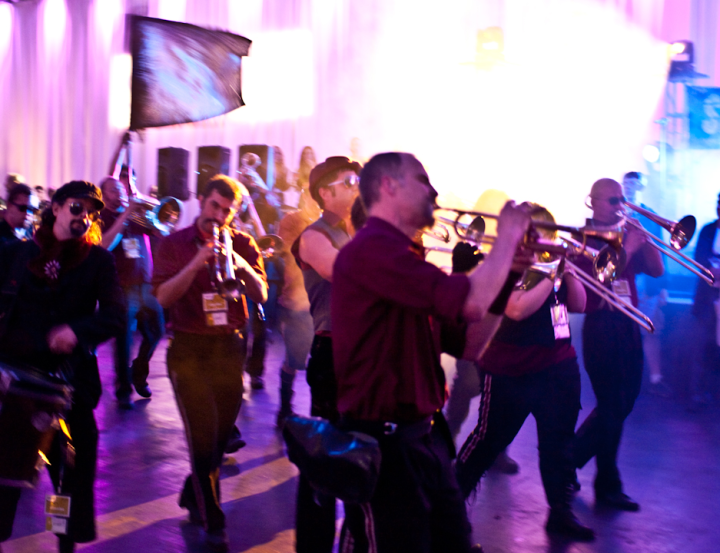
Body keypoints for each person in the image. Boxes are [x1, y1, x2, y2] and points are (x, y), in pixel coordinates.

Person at [332, 152, 532, 552]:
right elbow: (471, 302)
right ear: (388, 185)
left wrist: (508, 275)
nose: (434, 191)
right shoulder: (371, 251)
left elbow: (471, 345)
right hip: (384, 448)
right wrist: (506, 241)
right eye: (422, 179)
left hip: (424, 438)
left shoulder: (406, 259)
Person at [454, 206, 594, 541]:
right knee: (488, 441)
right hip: (509, 369)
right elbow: (515, 309)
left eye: (548, 236)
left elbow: (579, 305)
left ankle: (560, 513)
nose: (547, 243)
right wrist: (549, 273)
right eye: (539, 237)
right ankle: (452, 507)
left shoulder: (551, 266)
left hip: (558, 365)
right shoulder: (506, 265)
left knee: (558, 444)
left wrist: (568, 272)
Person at [0, 181, 125, 553]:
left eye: (91, 213)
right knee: (6, 476)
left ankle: (63, 542)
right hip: (17, 382)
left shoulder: (98, 261)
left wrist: (77, 330)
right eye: (76, 208)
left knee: (66, 482)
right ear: (55, 208)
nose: (83, 217)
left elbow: (117, 316)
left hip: (67, 387)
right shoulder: (16, 254)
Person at [152, 174, 267, 552]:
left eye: (227, 211)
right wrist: (197, 261)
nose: (219, 216)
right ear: (202, 200)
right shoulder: (173, 243)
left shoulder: (243, 243)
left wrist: (235, 260)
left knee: (219, 436)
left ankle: (192, 491)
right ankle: (213, 518)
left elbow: (262, 292)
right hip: (188, 350)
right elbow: (165, 298)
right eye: (214, 206)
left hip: (229, 348)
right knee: (201, 435)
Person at [573, 177, 664, 511]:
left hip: (628, 324)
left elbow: (656, 270)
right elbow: (602, 276)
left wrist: (647, 239)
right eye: (612, 200)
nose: (619, 205)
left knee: (624, 402)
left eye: (621, 200)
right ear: (592, 202)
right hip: (601, 326)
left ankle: (572, 463)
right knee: (612, 404)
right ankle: (602, 482)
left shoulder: (626, 233)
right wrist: (631, 247)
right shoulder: (581, 237)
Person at [290, 155, 361, 552]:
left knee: (361, 451)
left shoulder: (362, 232)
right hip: (333, 351)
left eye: (358, 181)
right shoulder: (314, 236)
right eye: (349, 181)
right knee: (325, 455)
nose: (356, 187)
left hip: (364, 353)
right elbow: (345, 272)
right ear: (325, 192)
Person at [99, 176, 165, 408]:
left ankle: (138, 372)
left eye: (121, 188)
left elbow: (162, 231)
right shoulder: (103, 217)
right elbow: (105, 245)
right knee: (124, 340)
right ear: (104, 194)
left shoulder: (137, 216)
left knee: (157, 331)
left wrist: (155, 214)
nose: (120, 192)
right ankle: (123, 389)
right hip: (122, 286)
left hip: (146, 283)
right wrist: (126, 214)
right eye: (114, 190)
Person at [622, 172, 670, 397]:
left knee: (651, 331)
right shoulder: (615, 213)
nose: (629, 187)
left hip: (647, 281)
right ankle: (627, 377)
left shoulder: (650, 215)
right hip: (622, 279)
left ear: (640, 187)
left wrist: (663, 287)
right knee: (624, 331)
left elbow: (662, 250)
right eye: (626, 183)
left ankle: (654, 379)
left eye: (633, 183)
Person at [275, 190, 320, 426]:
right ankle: (284, 410)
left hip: (321, 305)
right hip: (296, 302)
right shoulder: (292, 220)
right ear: (305, 198)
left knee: (322, 363)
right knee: (294, 360)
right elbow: (293, 250)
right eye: (312, 198)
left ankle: (320, 416)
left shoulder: (331, 223)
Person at [690, 192, 720, 405]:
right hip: (706, 300)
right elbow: (698, 259)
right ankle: (696, 394)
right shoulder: (708, 230)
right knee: (699, 348)